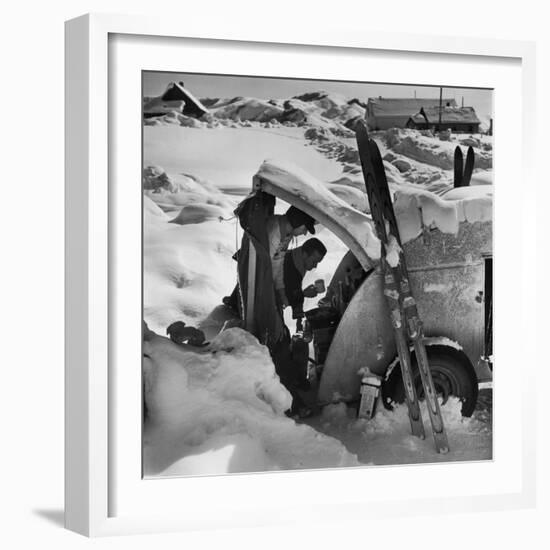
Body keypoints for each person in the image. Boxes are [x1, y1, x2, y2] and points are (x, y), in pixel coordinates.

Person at [223, 205, 317, 312]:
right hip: (252, 275)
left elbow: (278, 262)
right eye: (305, 228)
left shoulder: (287, 234)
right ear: (297, 221)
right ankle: (234, 306)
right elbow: (266, 268)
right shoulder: (274, 232)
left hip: (259, 277)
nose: (305, 233)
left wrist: (280, 289)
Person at [278, 237, 327, 331]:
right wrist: (304, 294)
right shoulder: (287, 264)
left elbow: (296, 289)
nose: (315, 266)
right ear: (305, 254)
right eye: (314, 261)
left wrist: (299, 322)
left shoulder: (298, 261)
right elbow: (282, 297)